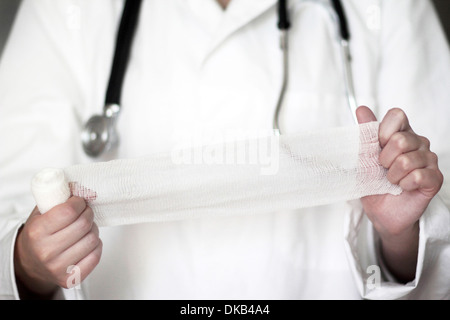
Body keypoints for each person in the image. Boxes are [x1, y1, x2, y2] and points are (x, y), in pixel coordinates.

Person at [0, 0, 449, 300]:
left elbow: (439, 219)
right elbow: (8, 213)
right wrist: (30, 264)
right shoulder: (65, 9)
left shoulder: (389, 8)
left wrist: (401, 237)